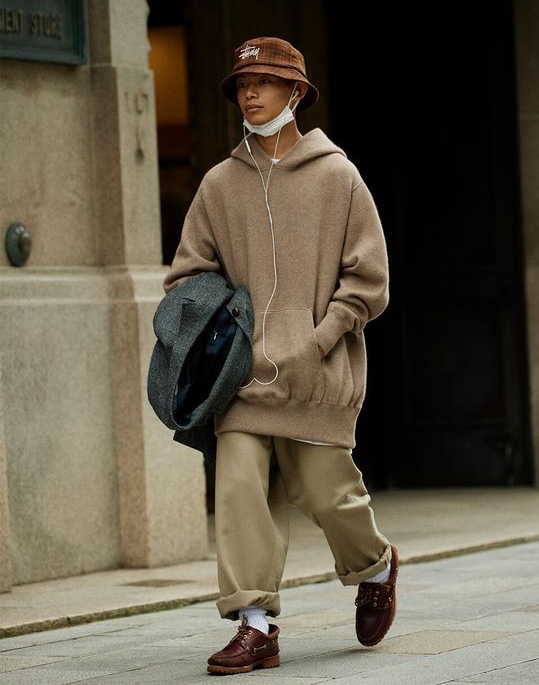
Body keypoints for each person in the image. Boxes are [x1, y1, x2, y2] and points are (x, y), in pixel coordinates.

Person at [163, 36, 399, 676]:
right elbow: (187, 275)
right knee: (241, 491)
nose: (250, 93)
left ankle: (375, 566)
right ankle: (256, 625)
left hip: (317, 373)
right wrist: (224, 332)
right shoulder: (218, 184)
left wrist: (320, 338)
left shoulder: (338, 177)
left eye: (263, 82)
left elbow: (370, 279)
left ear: (295, 92)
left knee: (327, 495)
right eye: (243, 84)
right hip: (240, 381)